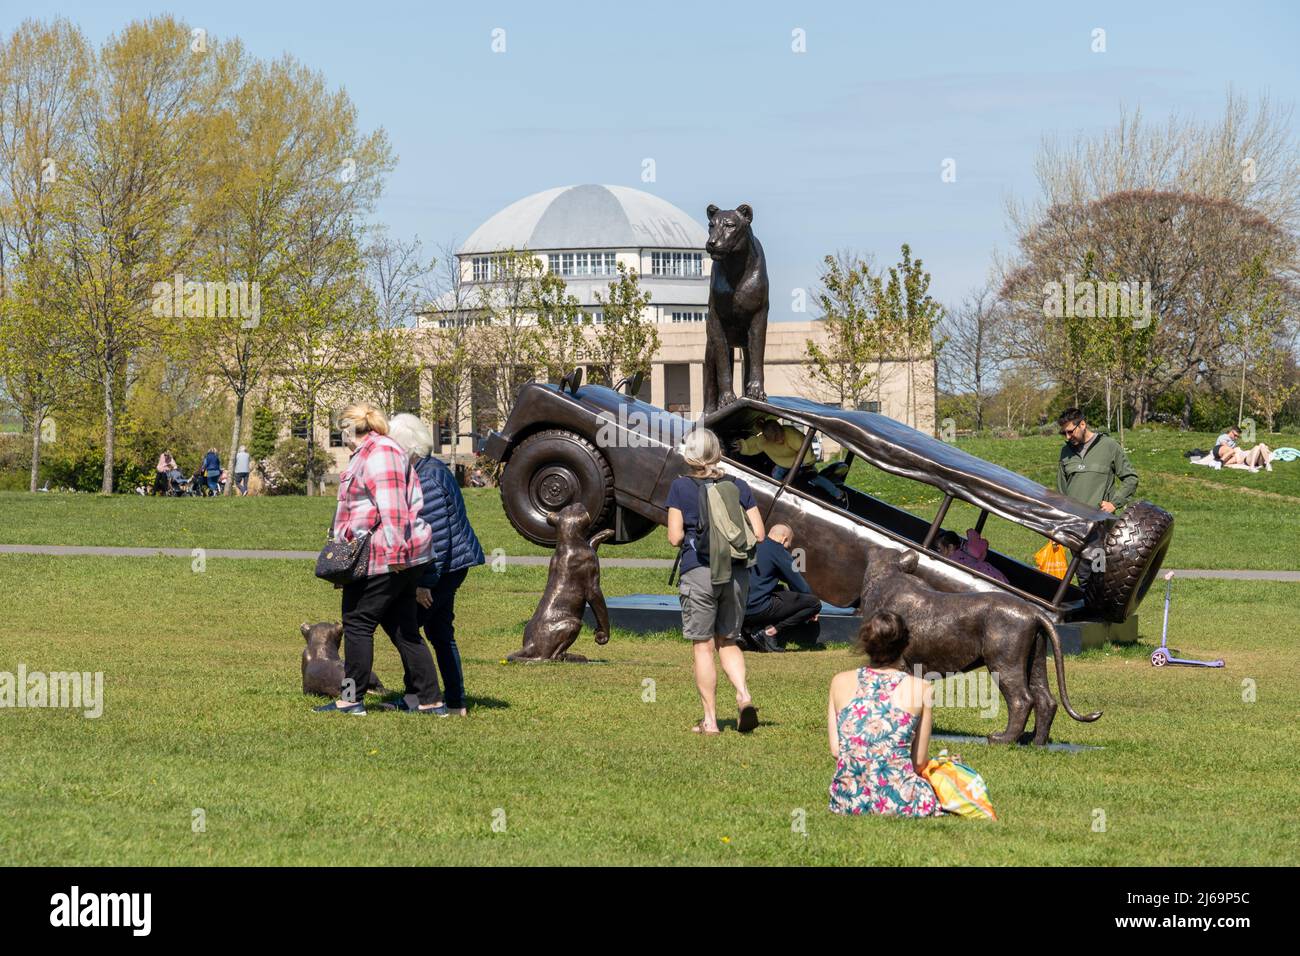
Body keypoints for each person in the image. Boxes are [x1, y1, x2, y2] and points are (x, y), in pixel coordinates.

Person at [314, 402, 445, 716]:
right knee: (403, 629)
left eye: (339, 431)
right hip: (382, 556)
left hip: (384, 556)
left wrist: (396, 554)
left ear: (350, 428)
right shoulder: (370, 453)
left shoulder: (381, 452)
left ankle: (351, 699)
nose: (339, 437)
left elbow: (394, 509)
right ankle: (430, 702)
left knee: (357, 623)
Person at [667, 427, 765, 735]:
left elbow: (674, 537)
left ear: (690, 455)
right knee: (729, 640)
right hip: (736, 572)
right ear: (717, 453)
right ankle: (743, 694)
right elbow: (760, 534)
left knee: (703, 646)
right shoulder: (738, 485)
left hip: (699, 571)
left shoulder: (680, 488)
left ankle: (710, 720)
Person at [388, 413, 485, 717]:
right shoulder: (430, 470)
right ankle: (455, 701)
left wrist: (424, 583)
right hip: (453, 565)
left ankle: (419, 697)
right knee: (440, 633)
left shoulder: (425, 477)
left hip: (444, 568)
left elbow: (436, 537)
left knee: (407, 629)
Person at [828, 611, 942, 818]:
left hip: (847, 798)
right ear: (905, 645)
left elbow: (837, 750)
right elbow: (918, 762)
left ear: (865, 642)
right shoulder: (922, 688)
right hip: (900, 800)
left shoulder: (839, 681)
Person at [742, 523, 821, 652]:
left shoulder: (754, 545)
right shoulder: (777, 550)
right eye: (788, 545)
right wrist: (812, 611)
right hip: (757, 608)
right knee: (814, 603)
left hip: (738, 609)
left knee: (779, 589)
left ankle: (748, 630)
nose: (788, 549)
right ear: (784, 539)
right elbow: (801, 587)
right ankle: (771, 632)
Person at [738, 418, 847, 505]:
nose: (780, 440)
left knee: (814, 477)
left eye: (781, 436)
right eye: (776, 439)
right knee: (776, 475)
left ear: (782, 429)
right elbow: (752, 445)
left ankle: (838, 493)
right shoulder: (763, 441)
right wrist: (741, 446)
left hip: (803, 462)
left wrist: (807, 464)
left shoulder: (792, 434)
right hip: (784, 464)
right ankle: (780, 496)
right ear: (768, 439)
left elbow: (806, 451)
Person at [1056, 408, 1138, 515]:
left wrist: (1114, 503)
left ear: (1082, 424)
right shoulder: (1065, 451)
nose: (1067, 437)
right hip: (1073, 523)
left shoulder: (1109, 446)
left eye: (1070, 431)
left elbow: (1131, 478)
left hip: (1101, 524)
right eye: (1064, 433)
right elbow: (1061, 491)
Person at [937, 529, 1008, 584]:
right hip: (995, 575)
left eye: (940, 549)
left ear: (950, 547)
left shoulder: (952, 560)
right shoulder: (962, 552)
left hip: (989, 579)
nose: (938, 552)